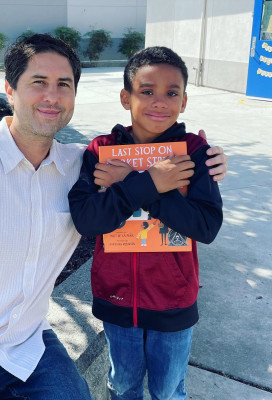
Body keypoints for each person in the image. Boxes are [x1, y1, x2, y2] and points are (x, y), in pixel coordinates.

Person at [0, 35, 227, 400]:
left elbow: (177, 196)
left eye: (64, 85)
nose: (52, 96)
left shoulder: (80, 163)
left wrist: (210, 161)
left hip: (25, 348)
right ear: (10, 89)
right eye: (38, 82)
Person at [68, 46, 224, 400]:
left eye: (172, 93)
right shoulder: (101, 150)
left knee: (168, 391)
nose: (159, 102)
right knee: (122, 386)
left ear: (184, 101)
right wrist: (149, 182)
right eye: (147, 90)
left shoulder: (195, 152)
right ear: (126, 97)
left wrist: (142, 187)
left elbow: (206, 226)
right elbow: (87, 220)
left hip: (174, 301)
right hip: (116, 297)